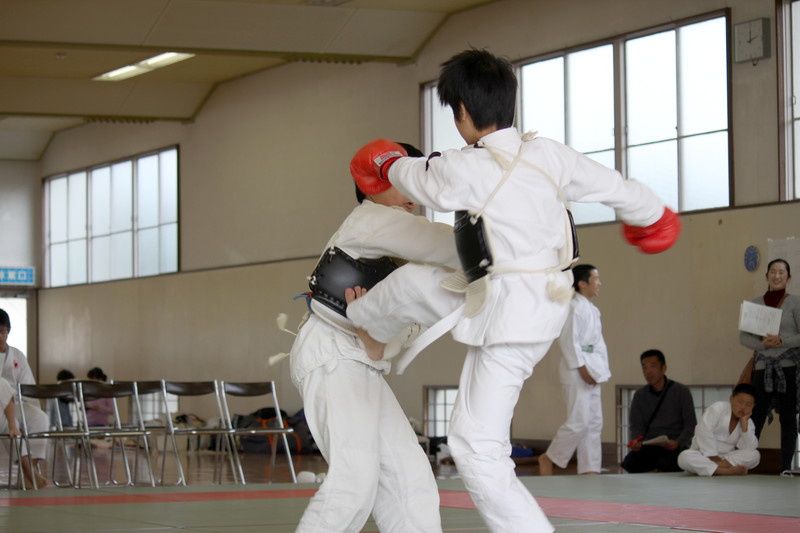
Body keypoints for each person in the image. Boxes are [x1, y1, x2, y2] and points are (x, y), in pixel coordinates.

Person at [349, 48, 680, 533]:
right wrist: (652, 217)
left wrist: (386, 162)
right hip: (543, 305)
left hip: (508, 313)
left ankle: (366, 326)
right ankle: (371, 328)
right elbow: (614, 186)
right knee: (417, 285)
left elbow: (413, 177)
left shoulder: (464, 167)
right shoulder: (549, 154)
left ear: (462, 112)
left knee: (475, 446)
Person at [289, 143, 459, 533]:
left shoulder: (404, 251)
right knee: (354, 481)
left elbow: (398, 335)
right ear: (375, 183)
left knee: (410, 480)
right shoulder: (371, 220)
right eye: (406, 182)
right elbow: (446, 245)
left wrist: (376, 340)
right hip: (332, 353)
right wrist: (507, 235)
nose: (414, 196)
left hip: (363, 361)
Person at [538, 264, 609, 476]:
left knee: (594, 422)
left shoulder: (593, 310)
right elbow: (568, 341)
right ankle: (549, 457)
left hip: (592, 367)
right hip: (576, 369)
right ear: (582, 284)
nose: (599, 284)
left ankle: (590, 468)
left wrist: (600, 371)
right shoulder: (573, 306)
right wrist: (583, 369)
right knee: (579, 421)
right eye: (596, 279)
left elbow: (599, 344)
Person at [738, 258, 800, 476]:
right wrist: (762, 344)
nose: (777, 276)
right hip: (763, 367)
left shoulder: (795, 302)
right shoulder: (755, 303)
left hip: (788, 367)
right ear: (766, 276)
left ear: (788, 277)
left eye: (781, 272)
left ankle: (785, 467)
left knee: (788, 418)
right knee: (756, 416)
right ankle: (747, 463)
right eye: (773, 272)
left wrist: (782, 341)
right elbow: (743, 337)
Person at [621, 349, 696, 473]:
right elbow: (636, 426)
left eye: (653, 366)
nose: (648, 371)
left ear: (664, 368)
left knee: (671, 462)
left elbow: (690, 425)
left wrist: (678, 442)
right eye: (644, 367)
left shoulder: (681, 392)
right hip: (649, 445)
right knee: (630, 462)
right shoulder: (640, 395)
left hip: (673, 445)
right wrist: (636, 441)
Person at [0, 308, 49, 487]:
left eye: (2, 331)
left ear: (8, 331)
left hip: (16, 403)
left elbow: (29, 386)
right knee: (10, 421)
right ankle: (28, 470)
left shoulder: (17, 355)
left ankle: (30, 471)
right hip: (0, 409)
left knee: (40, 418)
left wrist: (32, 407)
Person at [677, 383, 760, 476]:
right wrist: (713, 457)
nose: (743, 407)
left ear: (753, 406)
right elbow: (703, 430)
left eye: (748, 405)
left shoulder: (748, 422)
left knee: (755, 455)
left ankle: (710, 469)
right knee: (684, 457)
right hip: (704, 455)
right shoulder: (718, 408)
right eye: (740, 402)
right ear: (731, 399)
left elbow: (748, 449)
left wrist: (744, 425)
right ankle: (725, 471)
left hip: (726, 460)